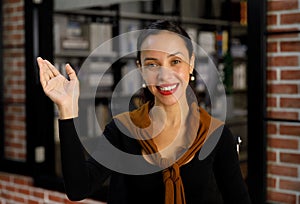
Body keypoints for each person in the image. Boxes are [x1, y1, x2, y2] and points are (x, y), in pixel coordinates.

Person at [37, 20, 251, 204]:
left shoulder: (216, 135)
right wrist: (67, 108)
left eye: (175, 61)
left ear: (191, 63)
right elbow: (77, 189)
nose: (164, 75)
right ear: (140, 68)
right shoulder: (122, 130)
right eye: (152, 64)